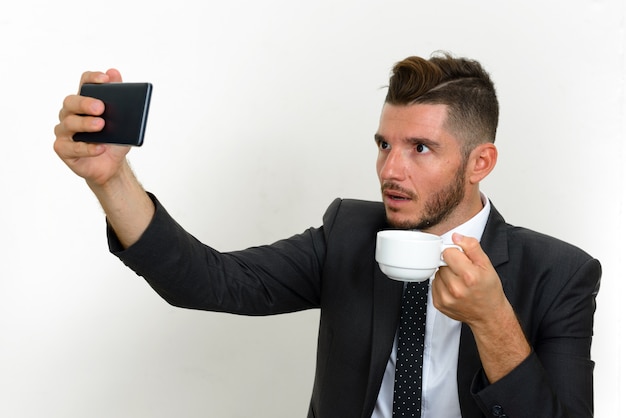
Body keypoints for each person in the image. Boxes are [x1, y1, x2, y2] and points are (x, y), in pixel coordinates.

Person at [53, 52, 601, 418]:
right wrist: (110, 178)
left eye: (421, 148)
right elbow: (212, 282)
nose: (391, 170)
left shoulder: (559, 274)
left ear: (480, 162)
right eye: (384, 144)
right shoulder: (349, 233)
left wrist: (493, 320)